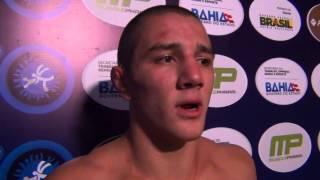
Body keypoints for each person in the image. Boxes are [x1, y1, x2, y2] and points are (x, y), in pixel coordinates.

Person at [47, 5, 256, 180]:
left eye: (203, 61)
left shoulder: (237, 167)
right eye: (166, 58)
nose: (194, 77)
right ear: (123, 83)